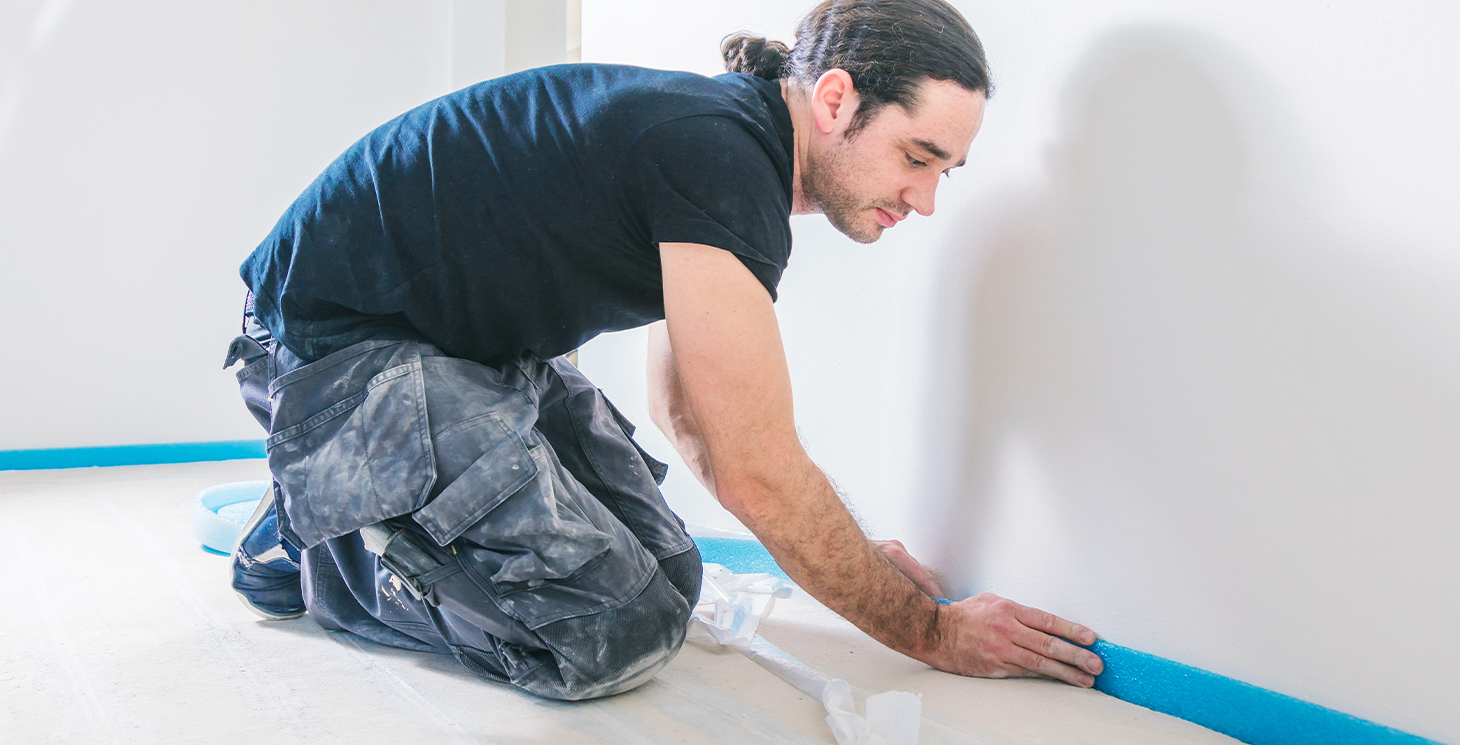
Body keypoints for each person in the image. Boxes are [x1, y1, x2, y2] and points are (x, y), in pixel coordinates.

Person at [222, 0, 1103, 701]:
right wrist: (930, 631)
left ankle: (359, 509)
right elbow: (756, 468)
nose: (925, 199)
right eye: (918, 156)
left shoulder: (726, 152)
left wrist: (866, 568)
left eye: (945, 171)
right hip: (334, 347)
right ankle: (317, 550)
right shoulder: (717, 155)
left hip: (469, 357)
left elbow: (689, 415)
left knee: (670, 579)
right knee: (614, 632)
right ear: (835, 101)